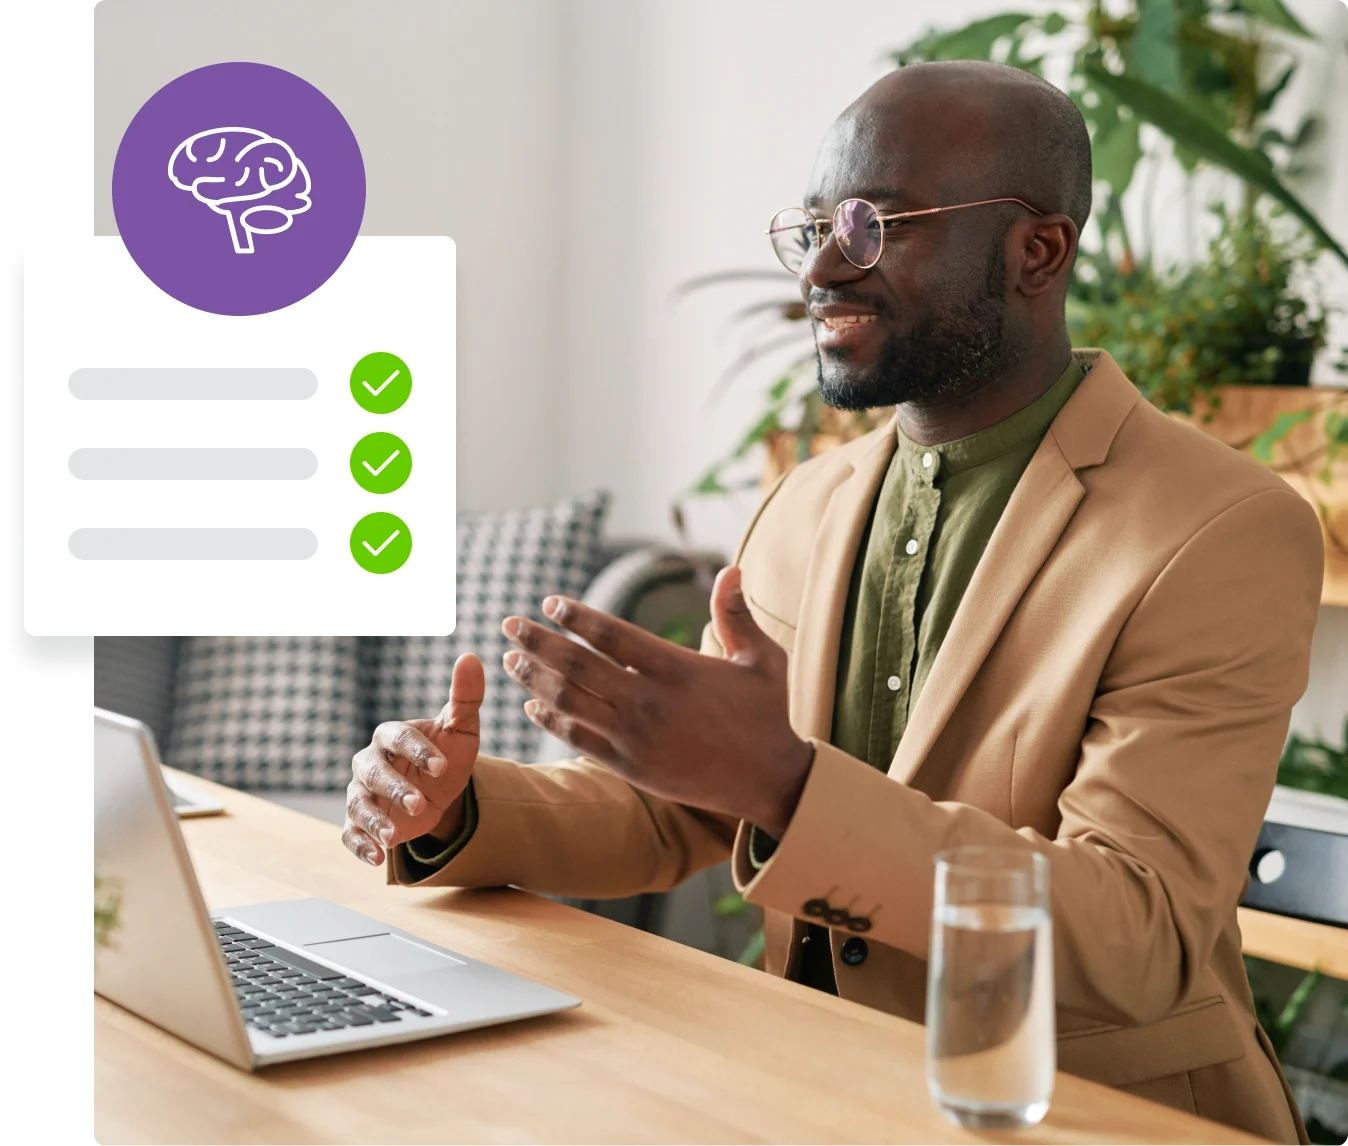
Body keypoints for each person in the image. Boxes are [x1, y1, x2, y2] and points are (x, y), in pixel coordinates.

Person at [342, 60, 1323, 1144]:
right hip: (818, 1092)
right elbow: (700, 804)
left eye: (875, 223)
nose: (821, 266)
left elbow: (1132, 936)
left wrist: (779, 775)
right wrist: (461, 807)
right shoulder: (806, 503)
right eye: (812, 226)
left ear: (1037, 252)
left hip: (1091, 1115)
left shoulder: (1221, 527)